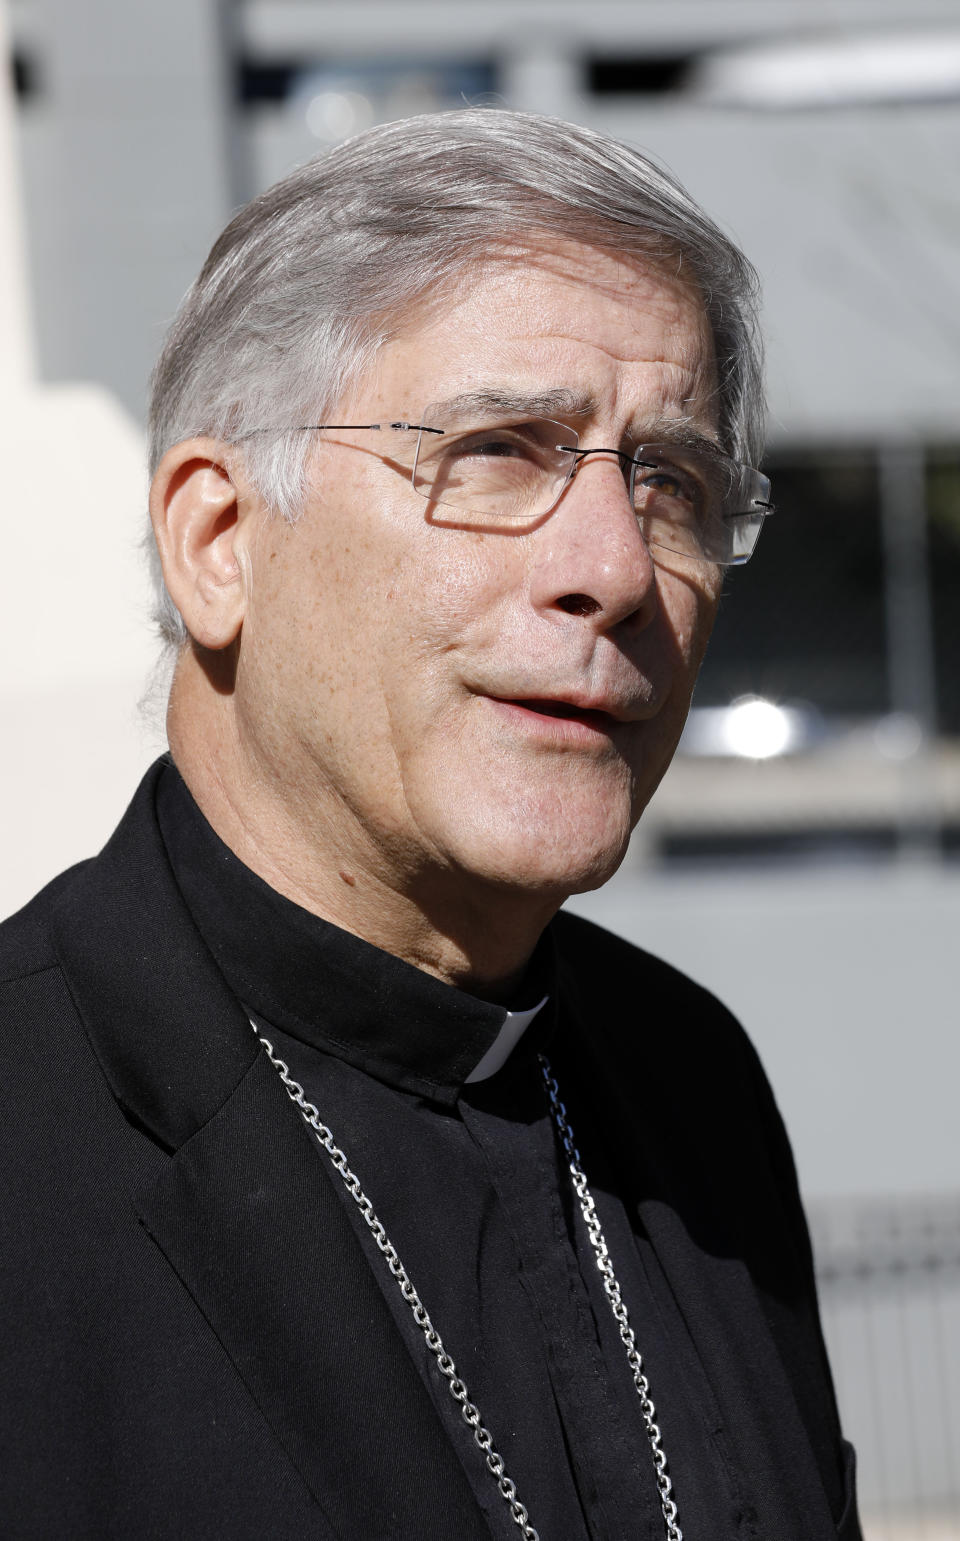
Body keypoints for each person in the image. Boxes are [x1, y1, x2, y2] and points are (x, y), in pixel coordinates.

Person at [0, 109, 860, 1540]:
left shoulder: (694, 1084)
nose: (612, 570)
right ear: (220, 544)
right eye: (500, 452)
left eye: (674, 485)